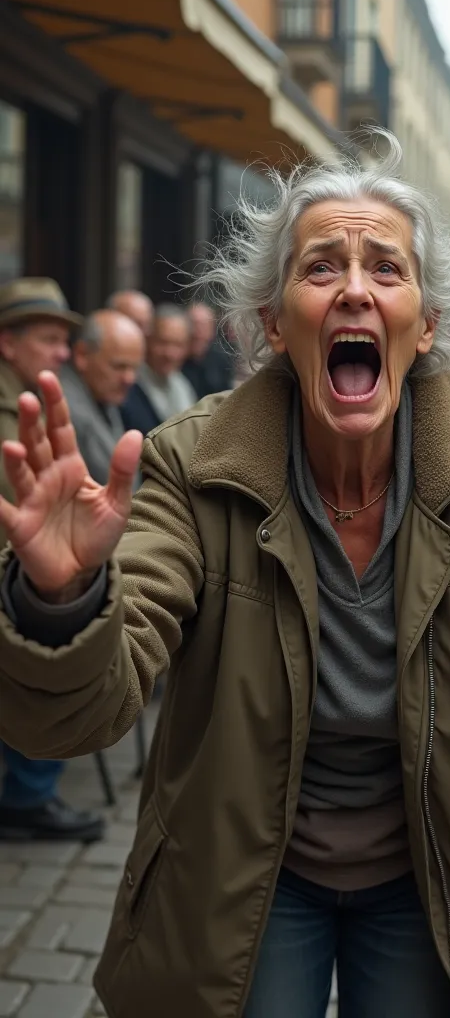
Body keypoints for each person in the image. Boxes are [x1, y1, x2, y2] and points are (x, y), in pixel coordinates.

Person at [0, 136, 450, 1018]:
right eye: (321, 266)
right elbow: (79, 714)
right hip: (244, 873)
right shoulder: (191, 463)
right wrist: (58, 600)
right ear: (276, 322)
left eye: (387, 269)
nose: (355, 288)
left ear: (426, 324)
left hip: (438, 872)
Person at [0, 277, 103, 842]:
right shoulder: (14, 412)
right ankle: (29, 795)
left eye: (65, 342)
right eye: (47, 339)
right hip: (13, 578)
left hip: (22, 570)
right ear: (8, 343)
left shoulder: (34, 401)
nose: (63, 353)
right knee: (54, 628)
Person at [60, 310, 145, 486]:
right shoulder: (68, 411)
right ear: (82, 355)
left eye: (134, 368)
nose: (129, 379)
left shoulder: (102, 395)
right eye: (119, 366)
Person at [120, 303, 197, 434]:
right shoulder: (127, 384)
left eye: (178, 345)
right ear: (148, 340)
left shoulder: (182, 384)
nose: (169, 354)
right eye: (163, 342)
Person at [182, 302, 234, 397]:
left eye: (204, 326)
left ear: (212, 331)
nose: (198, 332)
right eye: (194, 324)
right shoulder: (176, 358)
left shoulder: (221, 361)